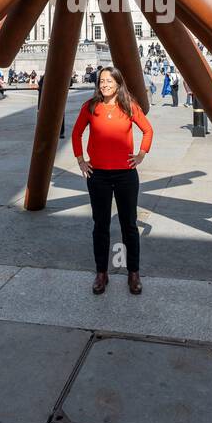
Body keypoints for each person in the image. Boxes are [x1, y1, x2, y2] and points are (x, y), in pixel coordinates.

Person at [71, 67, 152, 296]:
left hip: (126, 175)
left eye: (109, 81)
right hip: (98, 176)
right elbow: (76, 133)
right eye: (102, 81)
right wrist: (81, 160)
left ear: (118, 83)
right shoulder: (90, 106)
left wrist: (141, 155)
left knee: (129, 226)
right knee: (100, 225)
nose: (105, 85)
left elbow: (148, 130)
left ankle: (133, 273)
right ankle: (101, 273)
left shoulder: (129, 106)